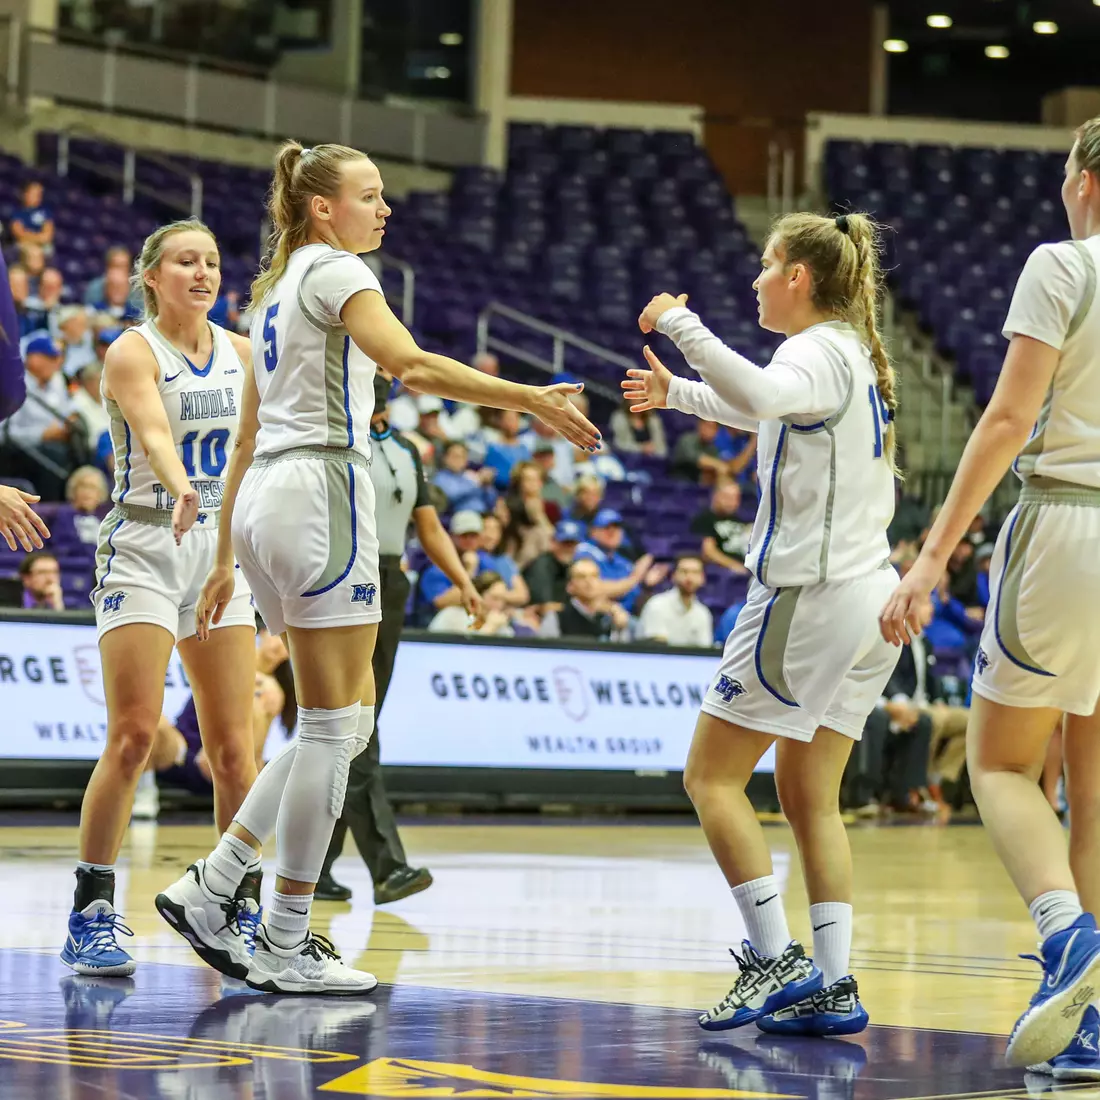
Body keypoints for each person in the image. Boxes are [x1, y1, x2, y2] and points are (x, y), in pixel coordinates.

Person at [155, 139, 600, 997]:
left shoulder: (272, 292)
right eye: (370, 194)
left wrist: (223, 559)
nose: (385, 208)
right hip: (324, 486)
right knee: (335, 729)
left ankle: (213, 888)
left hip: (263, 502)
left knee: (341, 725)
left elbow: (245, 437)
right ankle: (280, 933)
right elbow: (412, 364)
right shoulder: (337, 274)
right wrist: (530, 399)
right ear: (324, 207)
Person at [624, 209, 901, 1037]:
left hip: (806, 596)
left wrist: (678, 323)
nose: (754, 280)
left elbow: (770, 392)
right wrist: (679, 395)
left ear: (799, 278)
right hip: (868, 597)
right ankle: (831, 981)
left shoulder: (809, 349)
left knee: (709, 778)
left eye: (765, 266)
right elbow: (771, 411)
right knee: (810, 794)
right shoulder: (847, 353)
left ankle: (776, 955)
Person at [881, 117, 1100, 1077]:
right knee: (1094, 796)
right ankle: (1093, 1024)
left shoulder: (1064, 262)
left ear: (1087, 179)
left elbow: (1010, 416)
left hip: (1068, 521)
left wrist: (932, 557)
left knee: (1002, 768)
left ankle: (1068, 939)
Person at [59, 219, 261, 981]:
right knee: (135, 737)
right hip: (145, 543)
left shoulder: (243, 353)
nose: (202, 272)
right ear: (153, 275)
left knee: (236, 750)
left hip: (219, 555)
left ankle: (235, 906)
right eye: (186, 261)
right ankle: (92, 910)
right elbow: (152, 433)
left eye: (211, 261)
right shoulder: (132, 350)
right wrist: (181, 488)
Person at [315, 369, 480, 905]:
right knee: (357, 725)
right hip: (346, 573)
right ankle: (387, 865)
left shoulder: (406, 450)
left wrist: (463, 581)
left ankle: (318, 866)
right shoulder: (340, 444)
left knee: (360, 724)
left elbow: (427, 526)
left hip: (392, 578)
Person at [637, 555, 713, 647]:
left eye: (695, 572)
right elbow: (657, 649)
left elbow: (704, 652)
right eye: (684, 572)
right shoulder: (657, 605)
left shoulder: (703, 613)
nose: (689, 577)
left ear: (702, 578)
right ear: (673, 576)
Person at [692, 481, 753, 576]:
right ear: (715, 496)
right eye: (727, 497)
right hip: (722, 571)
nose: (732, 502)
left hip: (744, 568)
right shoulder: (705, 519)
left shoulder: (739, 520)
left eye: (736, 498)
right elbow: (708, 552)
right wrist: (734, 565)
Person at [10, 179, 54, 251]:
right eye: (34, 193)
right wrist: (39, 237)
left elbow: (47, 236)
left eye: (39, 194)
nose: (38, 196)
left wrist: (29, 236)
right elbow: (19, 235)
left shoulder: (45, 212)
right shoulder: (17, 213)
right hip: (24, 249)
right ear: (25, 194)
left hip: (42, 249)